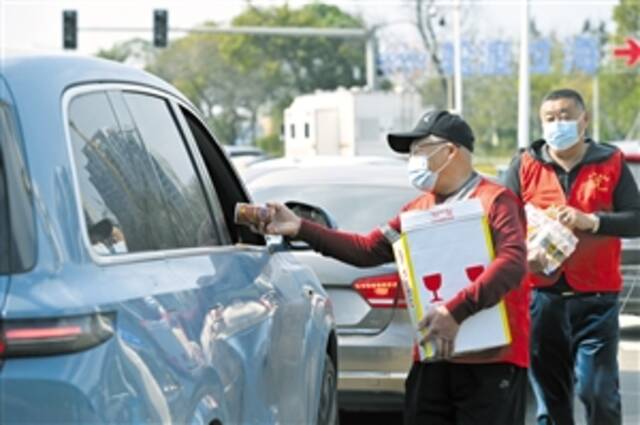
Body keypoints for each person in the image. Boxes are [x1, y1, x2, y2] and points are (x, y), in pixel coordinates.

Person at [255, 110, 531, 425]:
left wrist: (455, 311)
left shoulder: (496, 201)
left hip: (491, 362)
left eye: (420, 150)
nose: (414, 160)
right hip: (433, 358)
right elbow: (367, 249)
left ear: (450, 151)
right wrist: (300, 228)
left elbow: (512, 262)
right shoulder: (416, 211)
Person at [503, 88, 640, 425]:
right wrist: (525, 253)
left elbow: (635, 219)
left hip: (596, 298)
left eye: (565, 116)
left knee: (598, 392)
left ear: (584, 120)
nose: (557, 124)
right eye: (550, 118)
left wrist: (592, 221)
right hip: (541, 297)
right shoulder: (524, 166)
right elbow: (499, 225)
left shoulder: (611, 163)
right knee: (550, 403)